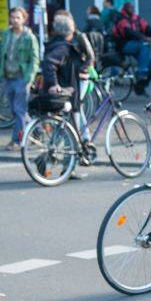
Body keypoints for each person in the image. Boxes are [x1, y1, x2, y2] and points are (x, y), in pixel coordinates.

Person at [41, 10, 95, 179]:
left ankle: (67, 168)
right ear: (69, 31)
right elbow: (49, 65)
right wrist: (55, 85)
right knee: (67, 134)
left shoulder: (56, 44)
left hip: (66, 94)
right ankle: (54, 166)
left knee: (65, 134)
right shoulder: (63, 47)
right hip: (66, 95)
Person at [0, 6, 40, 151]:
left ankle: (17, 140)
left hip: (22, 77)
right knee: (16, 111)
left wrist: (29, 78)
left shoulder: (29, 37)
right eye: (12, 17)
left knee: (19, 109)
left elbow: (35, 60)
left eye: (18, 17)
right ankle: (37, 131)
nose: (14, 20)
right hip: (8, 76)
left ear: (24, 19)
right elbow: (1, 54)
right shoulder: (6, 34)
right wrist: (0, 72)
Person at [112, 2, 151, 94]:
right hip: (124, 45)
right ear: (125, 9)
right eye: (129, 8)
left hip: (135, 45)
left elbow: (147, 28)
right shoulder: (121, 18)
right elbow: (128, 32)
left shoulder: (136, 18)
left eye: (132, 8)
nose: (132, 9)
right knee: (144, 45)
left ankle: (140, 86)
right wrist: (144, 38)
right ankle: (141, 72)